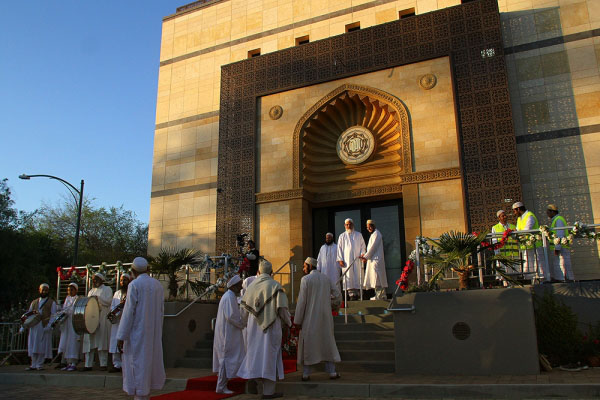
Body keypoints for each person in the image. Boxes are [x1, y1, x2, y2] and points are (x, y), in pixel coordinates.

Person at [237, 260, 291, 399]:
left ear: (258, 272)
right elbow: (282, 309)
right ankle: (268, 392)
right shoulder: (275, 286)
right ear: (271, 272)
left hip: (254, 329)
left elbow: (243, 311)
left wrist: (243, 323)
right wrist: (289, 322)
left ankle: (254, 379)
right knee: (270, 357)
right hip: (271, 328)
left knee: (256, 356)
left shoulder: (251, 287)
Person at [117, 257, 166, 400]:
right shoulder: (157, 285)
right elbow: (161, 311)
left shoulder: (134, 285)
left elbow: (128, 312)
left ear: (132, 271)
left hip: (137, 334)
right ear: (148, 269)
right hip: (152, 333)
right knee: (148, 364)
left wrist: (121, 336)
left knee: (137, 365)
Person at [294, 257, 342, 381]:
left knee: (309, 344)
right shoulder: (326, 279)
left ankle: (306, 373)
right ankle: (332, 372)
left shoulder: (305, 280)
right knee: (327, 343)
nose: (303, 268)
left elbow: (302, 302)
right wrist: (331, 304)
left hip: (309, 318)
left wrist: (297, 320)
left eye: (304, 266)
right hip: (325, 318)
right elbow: (337, 295)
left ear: (310, 266)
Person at [213, 275, 245, 394]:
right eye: (240, 285)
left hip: (228, 332)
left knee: (226, 359)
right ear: (234, 286)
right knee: (225, 360)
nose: (241, 287)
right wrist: (242, 324)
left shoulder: (229, 296)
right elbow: (231, 316)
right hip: (227, 334)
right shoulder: (229, 297)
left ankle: (222, 385)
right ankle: (221, 387)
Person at [81, 273, 113, 371]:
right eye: (93, 279)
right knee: (89, 342)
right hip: (91, 319)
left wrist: (98, 299)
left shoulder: (107, 289)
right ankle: (88, 365)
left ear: (101, 280)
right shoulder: (91, 291)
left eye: (96, 279)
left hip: (102, 318)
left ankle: (103, 364)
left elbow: (109, 301)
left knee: (101, 342)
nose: (94, 281)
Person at [512, 202, 549, 282]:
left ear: (518, 209)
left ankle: (543, 280)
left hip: (535, 244)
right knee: (529, 264)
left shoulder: (530, 216)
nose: (514, 213)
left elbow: (527, 229)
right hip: (526, 245)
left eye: (514, 211)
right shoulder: (519, 218)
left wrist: (517, 232)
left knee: (539, 263)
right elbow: (518, 229)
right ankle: (531, 280)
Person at [25, 283, 57, 371]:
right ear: (39, 290)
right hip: (34, 326)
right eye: (43, 290)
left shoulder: (52, 302)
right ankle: (33, 364)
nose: (44, 292)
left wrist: (49, 326)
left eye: (46, 290)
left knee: (42, 345)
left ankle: (39, 364)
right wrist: (25, 324)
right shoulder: (34, 302)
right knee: (33, 344)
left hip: (43, 326)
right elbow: (29, 314)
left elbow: (53, 315)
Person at [336, 218, 366, 300]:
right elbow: (339, 249)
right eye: (347, 224)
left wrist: (363, 255)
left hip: (357, 259)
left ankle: (359, 294)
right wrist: (340, 259)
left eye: (350, 224)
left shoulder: (359, 235)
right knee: (349, 275)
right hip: (346, 260)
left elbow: (363, 246)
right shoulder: (342, 236)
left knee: (358, 275)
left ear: (353, 225)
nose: (348, 226)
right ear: (344, 225)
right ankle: (351, 295)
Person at [109, 273, 131, 373]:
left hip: (126, 321)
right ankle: (116, 364)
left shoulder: (131, 292)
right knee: (115, 342)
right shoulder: (117, 293)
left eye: (125, 280)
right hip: (117, 321)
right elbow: (112, 307)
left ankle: (125, 364)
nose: (122, 282)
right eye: (121, 280)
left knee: (125, 343)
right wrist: (117, 310)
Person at [361, 220, 388, 300]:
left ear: (373, 226)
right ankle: (381, 295)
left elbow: (373, 247)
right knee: (376, 278)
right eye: (367, 227)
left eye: (370, 226)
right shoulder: (373, 234)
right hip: (373, 259)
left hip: (376, 260)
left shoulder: (377, 234)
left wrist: (365, 257)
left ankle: (379, 296)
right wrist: (365, 256)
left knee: (377, 278)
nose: (368, 228)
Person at [547, 204, 574, 282]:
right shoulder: (556, 220)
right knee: (560, 264)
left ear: (552, 212)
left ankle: (565, 279)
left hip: (561, 247)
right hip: (560, 246)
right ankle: (563, 279)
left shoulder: (558, 220)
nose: (547, 214)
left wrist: (557, 248)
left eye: (548, 212)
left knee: (563, 264)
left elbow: (560, 234)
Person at [57, 282, 80, 371]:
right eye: (68, 290)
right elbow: (65, 309)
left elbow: (75, 310)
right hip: (67, 323)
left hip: (74, 323)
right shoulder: (67, 298)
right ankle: (68, 363)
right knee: (66, 342)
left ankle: (73, 362)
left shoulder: (77, 299)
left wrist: (67, 312)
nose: (70, 292)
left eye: (72, 290)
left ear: (76, 290)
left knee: (73, 343)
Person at [491, 210, 518, 285]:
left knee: (514, 272)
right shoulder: (495, 228)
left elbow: (516, 238)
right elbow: (494, 241)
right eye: (502, 216)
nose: (505, 217)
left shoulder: (512, 226)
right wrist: (497, 254)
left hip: (512, 252)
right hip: (502, 253)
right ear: (499, 218)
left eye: (505, 215)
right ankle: (506, 285)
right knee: (504, 273)